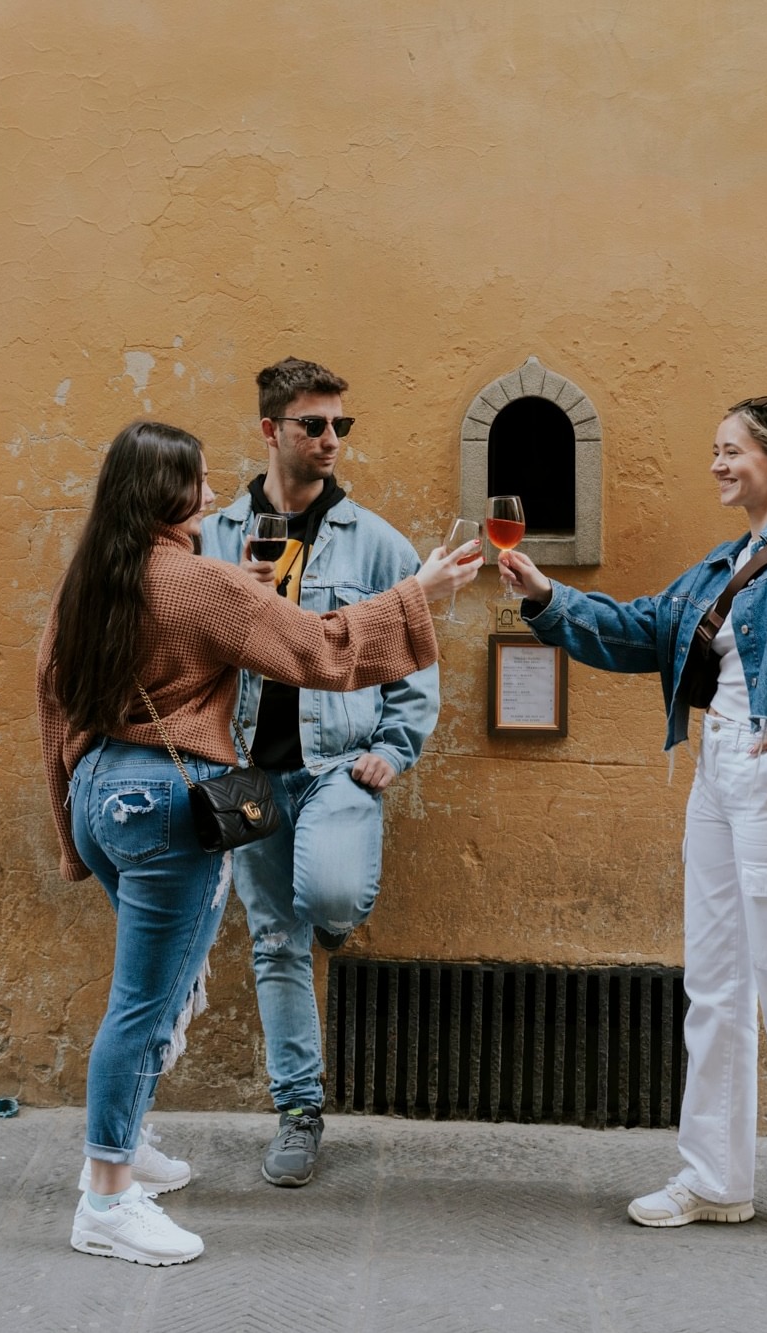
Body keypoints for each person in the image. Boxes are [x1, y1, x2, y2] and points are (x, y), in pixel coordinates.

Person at [36, 419, 480, 1266]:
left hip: (101, 792)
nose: (212, 491)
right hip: (170, 806)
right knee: (142, 1001)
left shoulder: (92, 574)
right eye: (197, 480)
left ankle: (128, 1140)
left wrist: (71, 824)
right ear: (166, 492)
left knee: (153, 987)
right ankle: (106, 1193)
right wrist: (418, 591)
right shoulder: (201, 583)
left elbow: (51, 697)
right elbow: (321, 648)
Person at [500, 396, 767, 1252]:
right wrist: (546, 595)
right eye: (712, 449)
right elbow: (643, 627)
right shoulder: (726, 561)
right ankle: (717, 1176)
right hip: (715, 779)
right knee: (715, 980)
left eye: (731, 450)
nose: (716, 463)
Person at [199, 356, 439, 1188]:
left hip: (339, 764)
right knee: (273, 941)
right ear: (271, 429)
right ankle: (299, 1112)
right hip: (247, 776)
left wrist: (397, 745)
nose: (331, 438)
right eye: (314, 424)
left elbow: (413, 654)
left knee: (328, 899)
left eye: (341, 424)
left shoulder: (376, 542)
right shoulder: (216, 536)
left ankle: (331, 907)